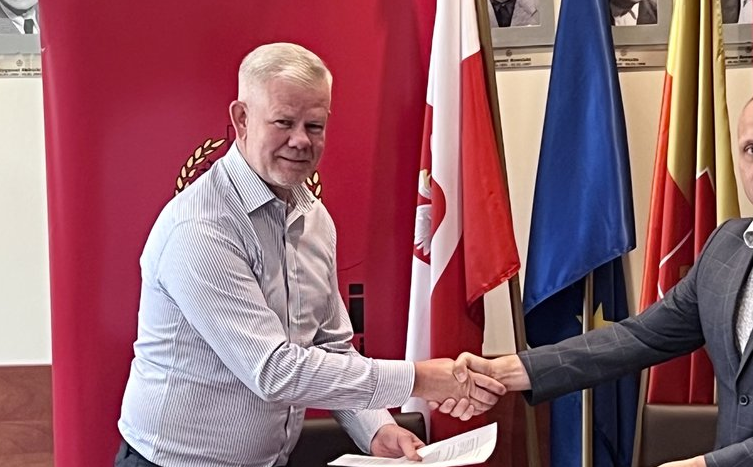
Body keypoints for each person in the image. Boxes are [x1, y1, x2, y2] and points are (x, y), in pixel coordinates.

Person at [448, 84, 753, 466]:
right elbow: (640, 337)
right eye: (751, 149)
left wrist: (706, 466)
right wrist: (508, 371)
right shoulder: (728, 245)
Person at [115, 43, 504, 467]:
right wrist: (420, 379)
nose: (301, 140)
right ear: (242, 119)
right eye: (284, 122)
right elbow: (273, 371)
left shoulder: (314, 218)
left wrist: (376, 429)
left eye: (314, 125)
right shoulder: (200, 227)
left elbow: (331, 346)